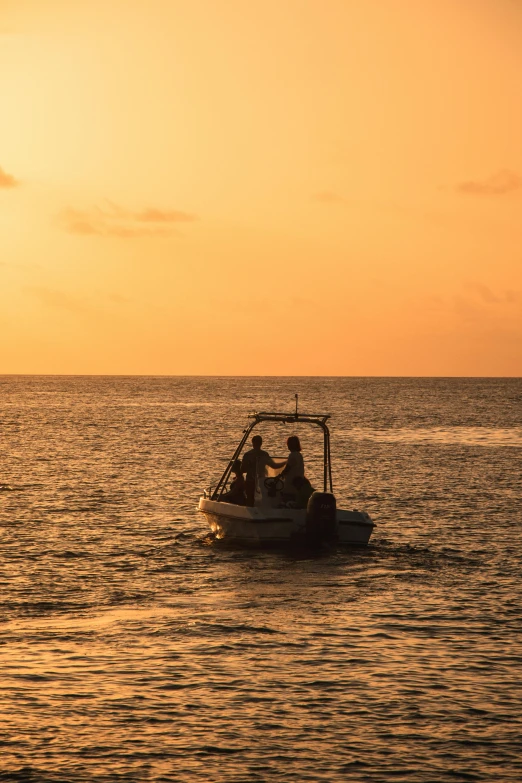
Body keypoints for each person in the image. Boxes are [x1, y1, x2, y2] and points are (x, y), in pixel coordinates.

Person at [240, 435, 285, 506]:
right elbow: (274, 466)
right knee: (261, 499)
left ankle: (250, 512)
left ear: (252, 443)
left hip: (251, 481)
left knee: (250, 500)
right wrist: (285, 463)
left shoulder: (247, 455)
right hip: (261, 481)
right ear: (261, 443)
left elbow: (242, 470)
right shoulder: (264, 454)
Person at [279, 435, 305, 499]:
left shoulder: (292, 455)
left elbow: (288, 468)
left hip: (292, 481)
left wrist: (280, 475)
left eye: (288, 444)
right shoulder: (299, 455)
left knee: (287, 494)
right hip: (299, 479)